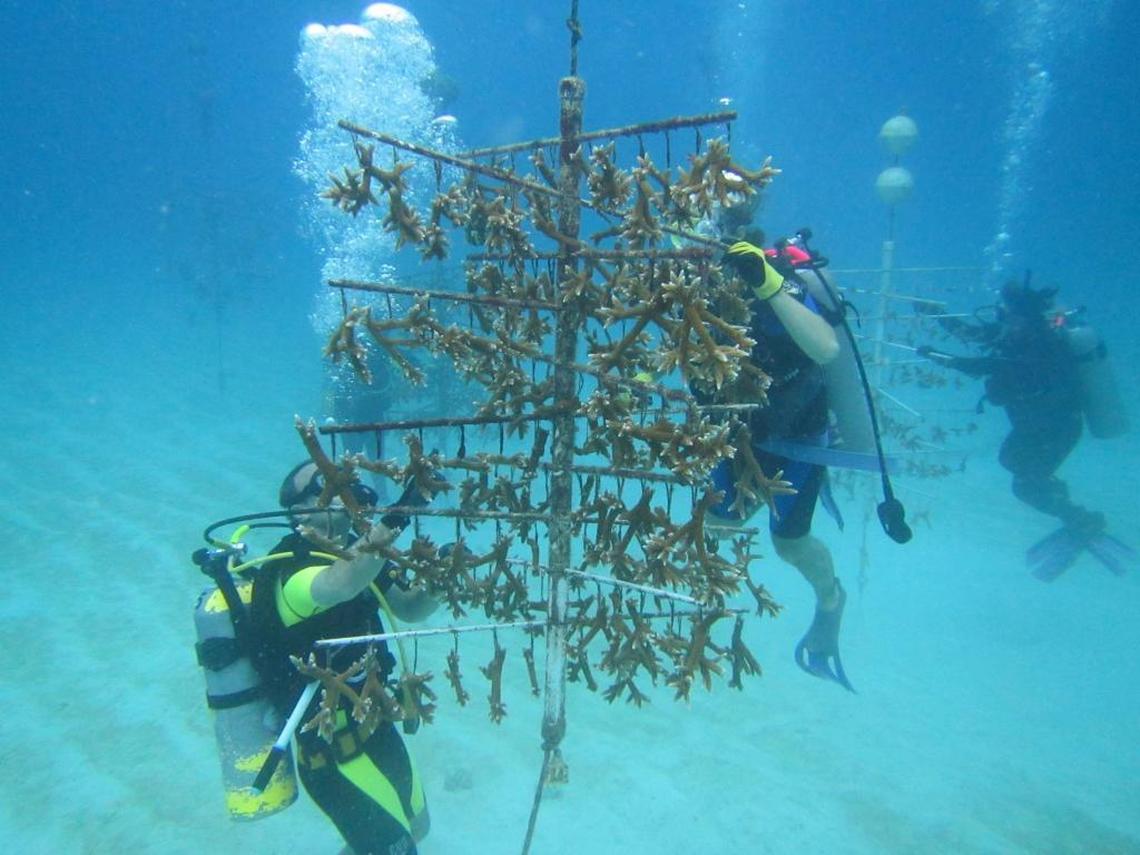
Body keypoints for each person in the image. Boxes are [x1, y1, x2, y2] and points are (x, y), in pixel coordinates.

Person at [250, 461, 437, 854]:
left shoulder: (361, 551)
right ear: (300, 510)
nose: (338, 487)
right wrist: (400, 512)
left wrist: (440, 580)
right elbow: (343, 582)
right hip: (330, 750)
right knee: (399, 850)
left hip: (376, 723)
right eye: (323, 483)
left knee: (418, 827)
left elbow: (409, 608)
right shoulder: (290, 568)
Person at [706, 230, 858, 691]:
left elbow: (827, 349)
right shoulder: (701, 291)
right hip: (740, 434)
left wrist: (765, 281)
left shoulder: (777, 283)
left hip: (798, 439)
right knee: (715, 524)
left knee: (790, 543)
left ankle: (831, 600)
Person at [917, 279, 1134, 580]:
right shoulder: (1015, 337)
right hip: (1044, 428)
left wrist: (939, 357)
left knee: (1025, 482)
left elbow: (987, 367)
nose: (1001, 320)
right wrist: (932, 314)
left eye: (1007, 314)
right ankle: (1072, 513)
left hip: (1056, 430)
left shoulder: (1039, 346)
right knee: (1014, 464)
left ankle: (1080, 521)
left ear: (1024, 316)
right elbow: (972, 335)